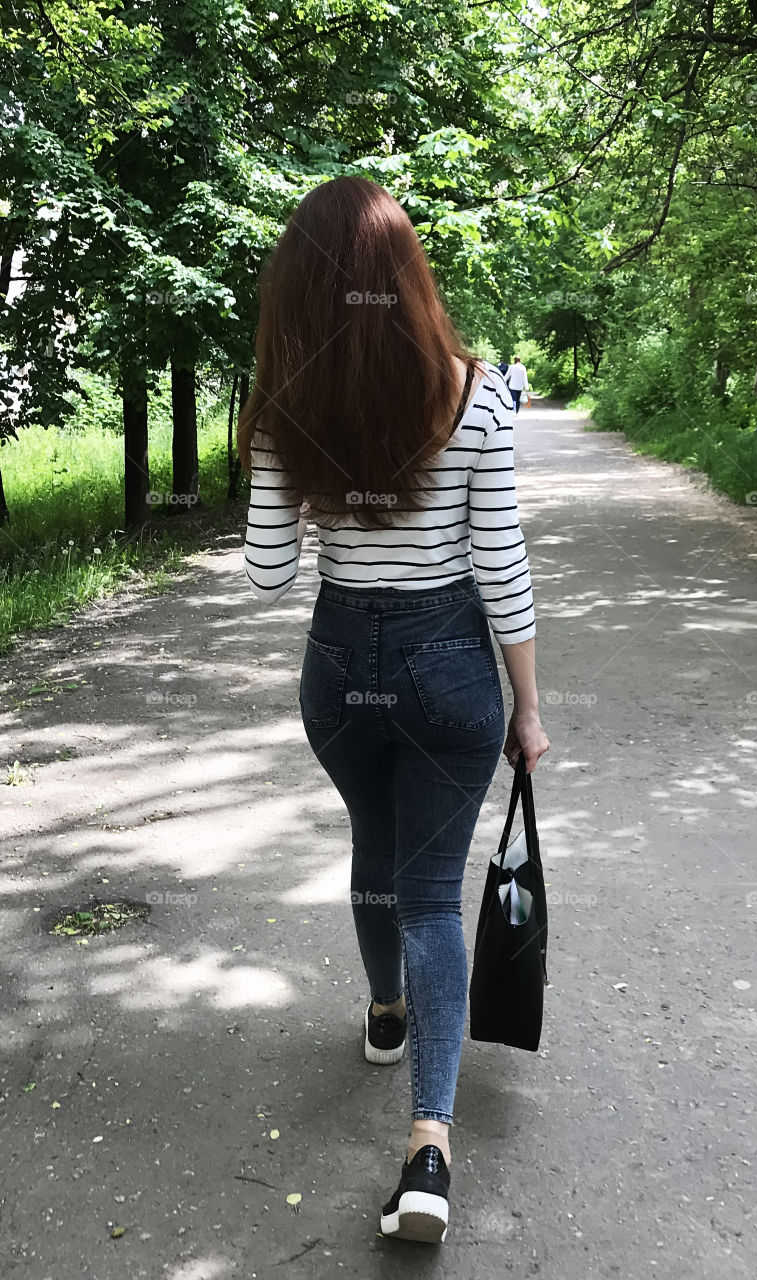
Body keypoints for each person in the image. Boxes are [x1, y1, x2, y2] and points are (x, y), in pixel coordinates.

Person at [238, 175, 550, 1246]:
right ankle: (428, 1150)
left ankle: (385, 1013)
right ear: (410, 278)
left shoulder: (286, 404)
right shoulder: (476, 396)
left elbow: (269, 574)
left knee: (375, 849)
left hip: (339, 672)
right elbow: (500, 566)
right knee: (427, 892)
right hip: (449, 669)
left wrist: (282, 462)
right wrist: (528, 708)